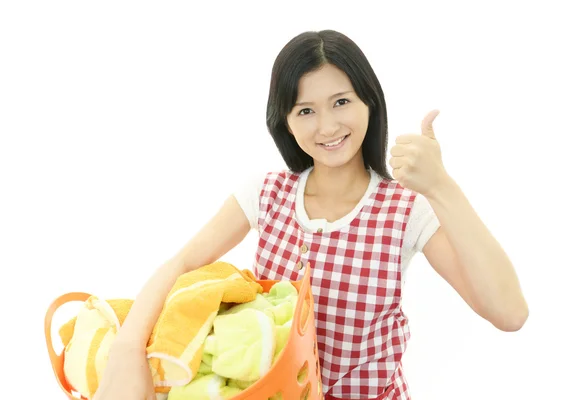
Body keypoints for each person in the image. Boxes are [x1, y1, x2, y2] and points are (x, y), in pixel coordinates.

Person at [92, 30, 528, 400]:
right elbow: (185, 264)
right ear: (285, 122)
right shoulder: (266, 194)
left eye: (341, 102)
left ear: (369, 102)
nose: (327, 126)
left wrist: (441, 187)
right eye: (306, 110)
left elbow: (509, 314)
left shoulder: (405, 208)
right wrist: (128, 348)